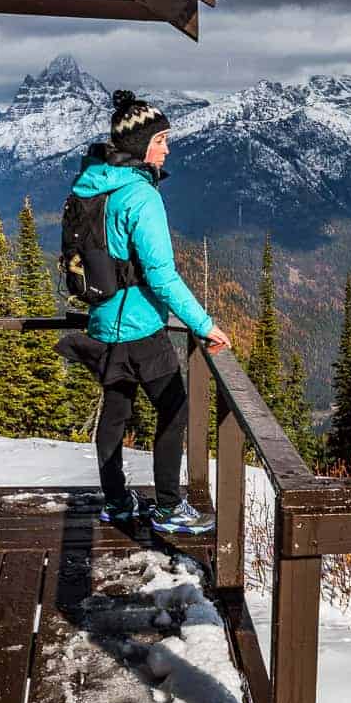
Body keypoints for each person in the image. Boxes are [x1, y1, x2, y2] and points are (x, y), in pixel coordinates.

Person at [65, 89, 231, 534]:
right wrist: (205, 325)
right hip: (139, 325)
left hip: (103, 319)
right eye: (162, 140)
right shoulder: (140, 197)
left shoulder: (93, 183)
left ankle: (117, 502)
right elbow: (161, 276)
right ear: (141, 147)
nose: (167, 149)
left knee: (116, 413)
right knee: (174, 409)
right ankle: (168, 507)